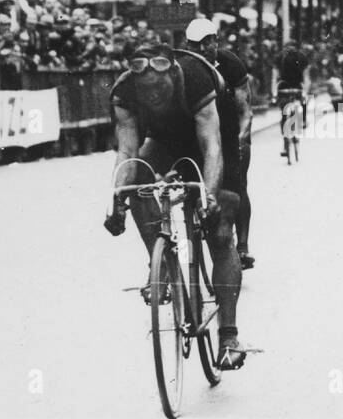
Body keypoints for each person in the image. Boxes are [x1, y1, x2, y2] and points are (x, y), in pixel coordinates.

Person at [104, 41, 247, 370]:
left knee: (221, 231)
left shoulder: (195, 78)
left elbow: (211, 146)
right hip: (166, 140)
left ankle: (228, 336)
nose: (151, 93)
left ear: (172, 73)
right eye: (145, 87)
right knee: (137, 178)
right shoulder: (125, 91)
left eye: (158, 86)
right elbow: (127, 152)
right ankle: (164, 261)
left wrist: (209, 195)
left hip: (213, 136)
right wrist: (117, 199)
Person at [186, 17, 256, 269]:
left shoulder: (230, 64)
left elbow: (245, 110)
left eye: (209, 42)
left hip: (230, 133)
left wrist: (241, 139)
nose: (204, 48)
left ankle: (243, 245)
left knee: (237, 186)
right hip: (203, 135)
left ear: (216, 41)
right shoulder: (185, 67)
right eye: (197, 44)